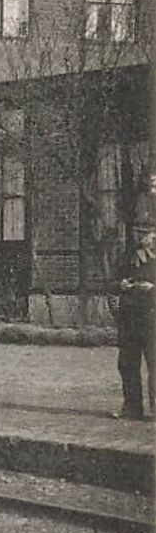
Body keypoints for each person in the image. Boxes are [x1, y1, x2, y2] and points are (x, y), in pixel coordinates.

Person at [114, 174, 156, 420]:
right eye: (138, 233)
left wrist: (151, 288)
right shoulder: (129, 257)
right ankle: (132, 407)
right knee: (127, 364)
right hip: (129, 316)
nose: (142, 238)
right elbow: (112, 280)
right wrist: (120, 284)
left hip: (153, 315)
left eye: (147, 233)